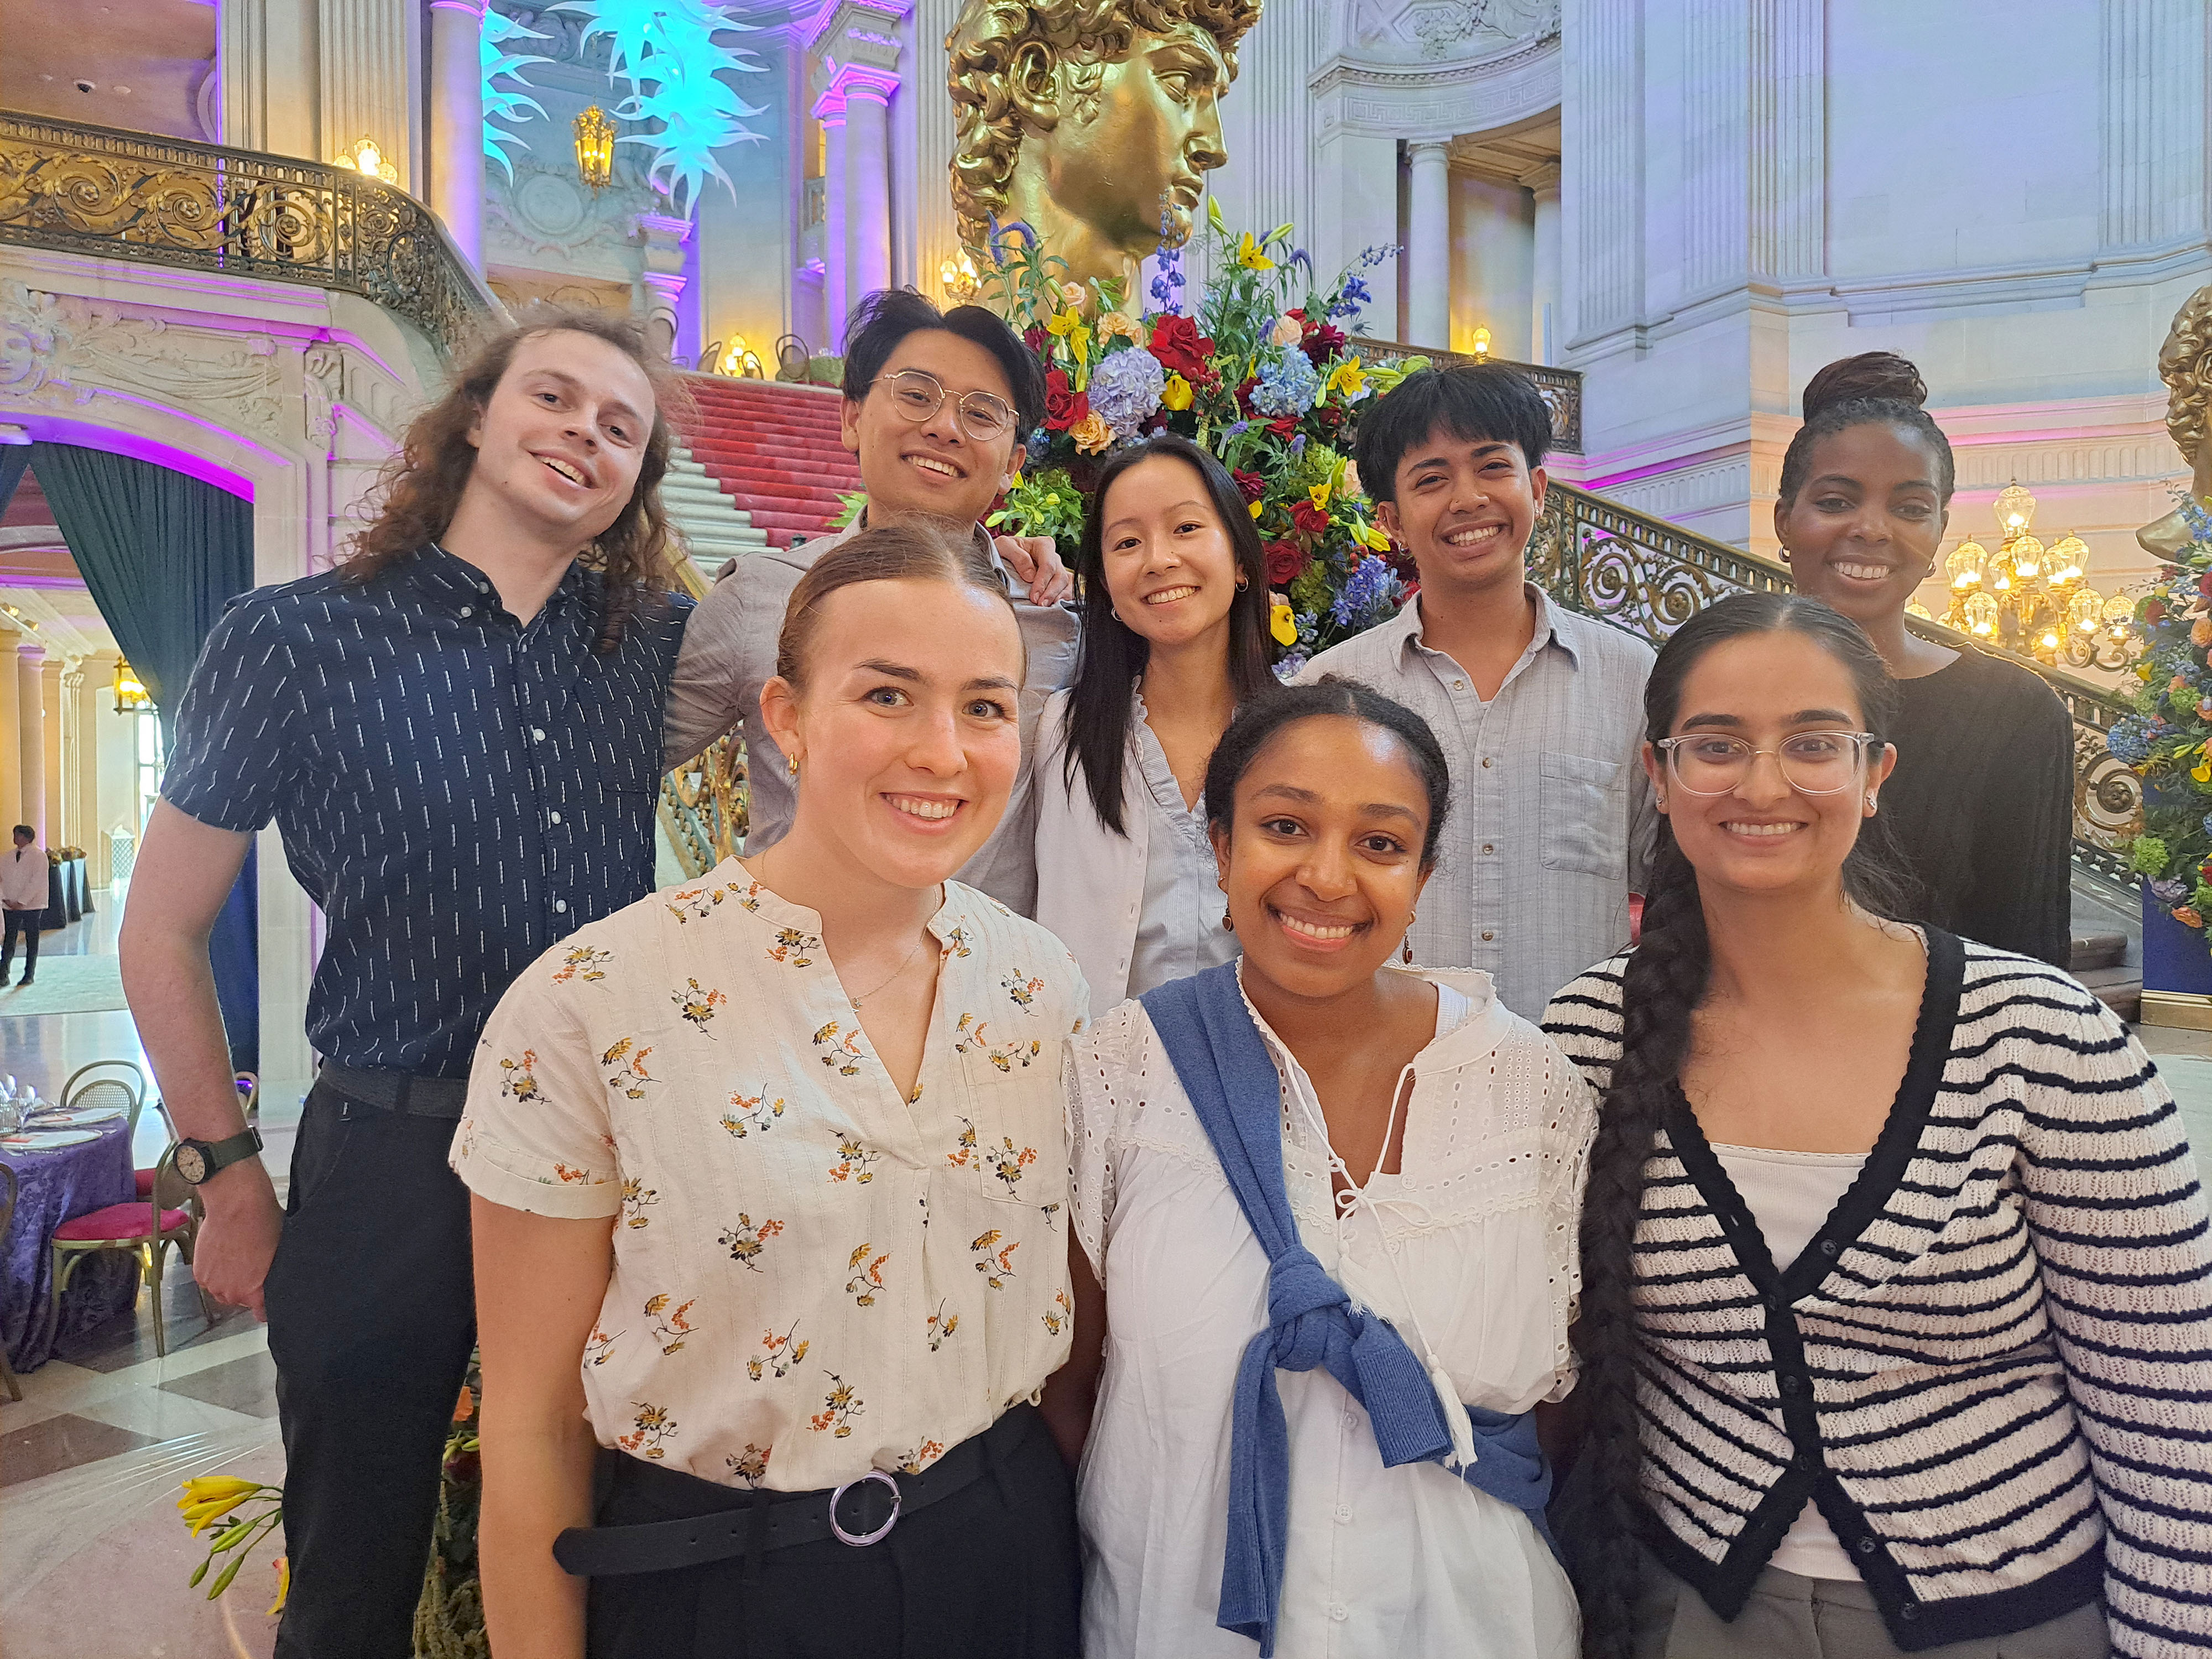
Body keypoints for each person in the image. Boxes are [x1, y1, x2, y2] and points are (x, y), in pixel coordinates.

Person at [119, 311, 693, 1659]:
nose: (585, 436)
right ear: (477, 417)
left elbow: (843, 643)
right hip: (393, 1151)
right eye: (554, 398)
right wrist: (226, 1170)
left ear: (634, 485)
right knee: (352, 1566)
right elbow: (160, 927)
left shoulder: (651, 643)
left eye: (622, 429)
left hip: (610, 1155)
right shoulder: (293, 638)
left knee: (606, 1532)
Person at [458, 519, 1091, 1659]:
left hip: (1001, 1555)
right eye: (887, 696)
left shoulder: (1040, 985)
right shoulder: (592, 1002)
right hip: (728, 1591)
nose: (942, 752)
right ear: (787, 718)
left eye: (985, 706)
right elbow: (533, 1426)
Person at [1540, 592, 2212, 1659]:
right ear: (1657, 777)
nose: (1764, 785)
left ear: (1875, 773)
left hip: (2010, 1617)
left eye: (1813, 743)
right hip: (1696, 1613)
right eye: (1716, 746)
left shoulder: (2039, 1040)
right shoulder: (1589, 1038)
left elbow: (2173, 1419)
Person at [1044, 680, 1597, 1659]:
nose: (1328, 878)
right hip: (1179, 1626)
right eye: (1286, 825)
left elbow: (1556, 1410)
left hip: (1471, 1625)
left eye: (1380, 844)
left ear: (1423, 875)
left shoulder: (1527, 1087)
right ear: (1221, 845)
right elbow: (1072, 1386)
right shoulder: (1123, 1073)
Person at [665, 289, 1077, 916]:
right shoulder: (759, 597)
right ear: (852, 418)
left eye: (982, 413)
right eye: (916, 395)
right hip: (796, 979)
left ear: (1013, 464)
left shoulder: (1054, 616)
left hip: (988, 996)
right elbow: (614, 769)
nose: (944, 427)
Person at [1296, 362, 1654, 1019]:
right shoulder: (1330, 690)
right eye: (1431, 480)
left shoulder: (1632, 679)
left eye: (1493, 468)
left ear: (1538, 489)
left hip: (1581, 1077)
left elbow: (1675, 887)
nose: (1467, 499)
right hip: (1390, 1078)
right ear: (1391, 522)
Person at [1774, 351, 2073, 966]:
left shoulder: (2013, 713)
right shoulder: (1714, 692)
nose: (1872, 529)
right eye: (1835, 501)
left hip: (1952, 1055)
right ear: (1784, 520)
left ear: (1938, 531)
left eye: (1909, 508)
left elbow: (2031, 954)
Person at [1034, 435, 1274, 1013]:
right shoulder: (1058, 732)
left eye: (1186, 529)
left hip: (1259, 1078)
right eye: (1127, 542)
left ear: (1240, 560)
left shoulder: (1296, 739)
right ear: (1107, 587)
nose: (1159, 560)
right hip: (1088, 1078)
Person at [2, 823, 44, 987]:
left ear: (26, 837)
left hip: (32, 905)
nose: (15, 838)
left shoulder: (38, 856)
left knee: (31, 939)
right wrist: (6, 898)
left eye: (18, 835)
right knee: (9, 939)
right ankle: (3, 973)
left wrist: (21, 901)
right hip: (10, 904)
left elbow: (37, 882)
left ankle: (29, 973)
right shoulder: (7, 856)